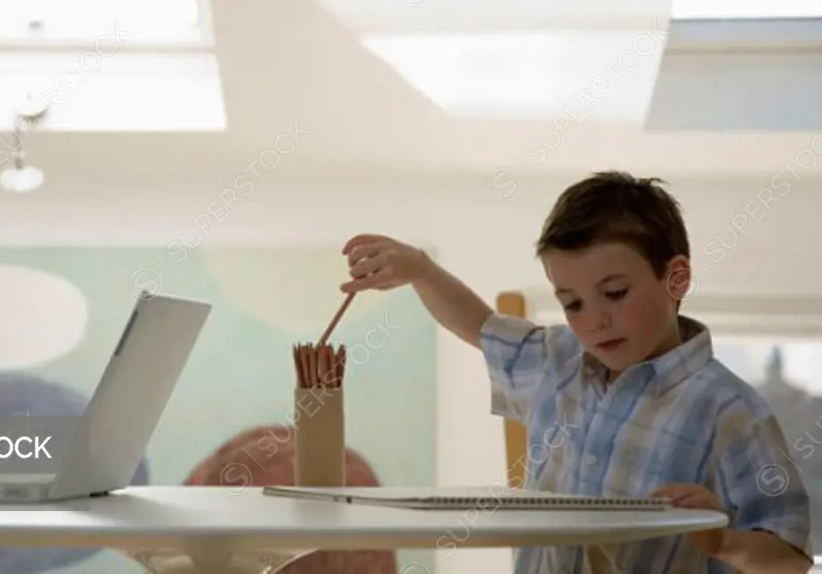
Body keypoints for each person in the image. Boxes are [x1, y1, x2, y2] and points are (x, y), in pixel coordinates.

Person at [340, 171, 813, 574]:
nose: (594, 320)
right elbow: (479, 326)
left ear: (677, 277)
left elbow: (790, 555)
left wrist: (722, 540)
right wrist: (420, 270)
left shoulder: (731, 411)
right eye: (572, 303)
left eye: (615, 292)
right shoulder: (555, 361)